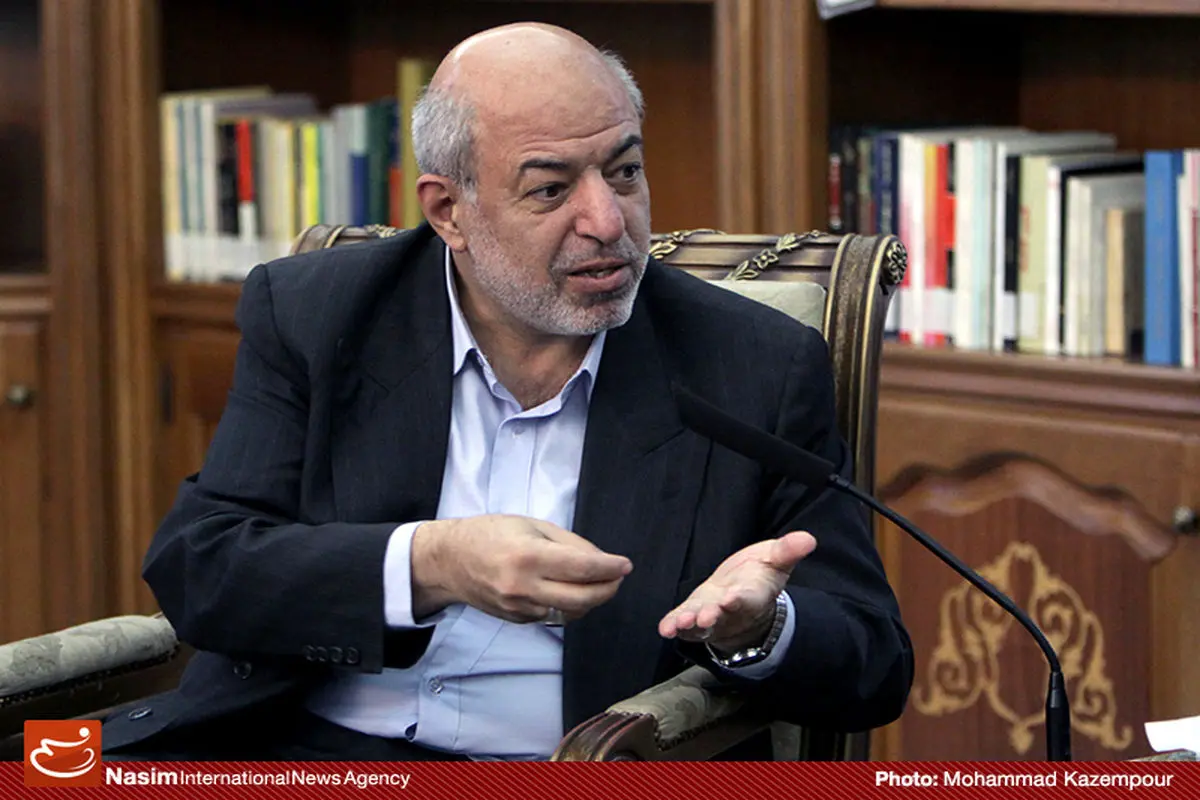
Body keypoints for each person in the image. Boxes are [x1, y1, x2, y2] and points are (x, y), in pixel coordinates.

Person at [101, 22, 912, 762]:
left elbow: (873, 661)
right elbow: (201, 567)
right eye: (551, 189)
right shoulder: (320, 315)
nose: (608, 220)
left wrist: (761, 628)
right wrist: (431, 564)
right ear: (448, 210)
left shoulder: (752, 365)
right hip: (304, 751)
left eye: (625, 171)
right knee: (48, 768)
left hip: (570, 764)